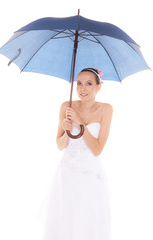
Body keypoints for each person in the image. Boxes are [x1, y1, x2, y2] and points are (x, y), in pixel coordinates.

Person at [43, 68, 113, 240]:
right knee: (66, 219)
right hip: (67, 172)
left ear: (99, 87)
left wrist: (80, 122)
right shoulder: (66, 106)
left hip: (90, 174)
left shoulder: (106, 109)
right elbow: (59, 145)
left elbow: (97, 149)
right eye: (79, 83)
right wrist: (67, 131)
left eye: (89, 84)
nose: (83, 88)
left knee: (88, 220)